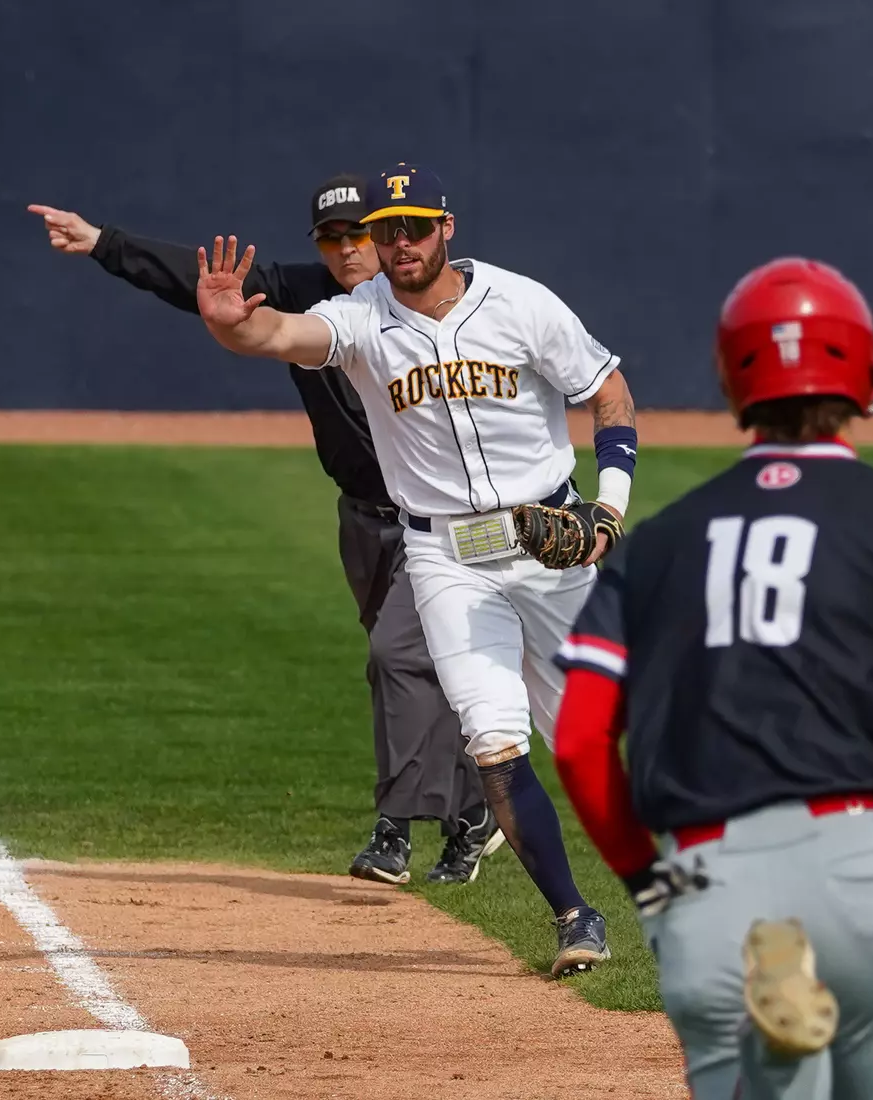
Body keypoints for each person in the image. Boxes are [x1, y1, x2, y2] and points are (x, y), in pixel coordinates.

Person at [193, 162, 641, 978]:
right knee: (491, 740)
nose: (398, 242)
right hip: (445, 556)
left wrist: (607, 508)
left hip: (552, 543)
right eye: (384, 230)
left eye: (415, 226)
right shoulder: (361, 318)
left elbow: (607, 390)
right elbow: (285, 335)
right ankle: (576, 917)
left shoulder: (520, 303)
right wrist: (232, 326)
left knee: (600, 742)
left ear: (447, 228)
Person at [553, 256, 873, 1095]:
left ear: (730, 377)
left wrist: (651, 882)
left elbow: (576, 742)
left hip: (711, 883)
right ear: (866, 372)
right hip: (865, 870)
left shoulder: (660, 544)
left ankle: (776, 1033)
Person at [26, 175, 506, 887]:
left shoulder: (442, 307)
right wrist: (102, 242)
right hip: (365, 517)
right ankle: (472, 816)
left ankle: (395, 829)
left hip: (451, 522)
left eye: (358, 233)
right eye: (332, 237)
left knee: (401, 658)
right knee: (410, 670)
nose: (347, 250)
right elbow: (199, 279)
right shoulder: (305, 295)